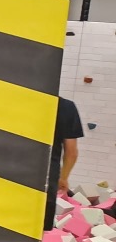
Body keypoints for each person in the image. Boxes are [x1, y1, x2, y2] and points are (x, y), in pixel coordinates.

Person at [45, 97, 83, 230]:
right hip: (46, 181)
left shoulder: (15, 100)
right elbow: (71, 152)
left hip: (8, 180)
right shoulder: (65, 107)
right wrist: (63, 178)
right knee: (38, 234)